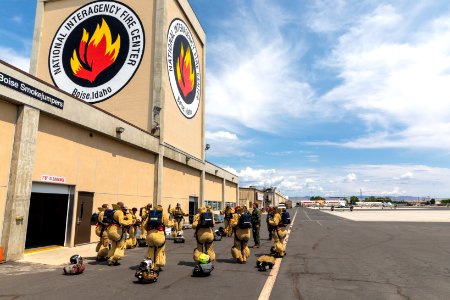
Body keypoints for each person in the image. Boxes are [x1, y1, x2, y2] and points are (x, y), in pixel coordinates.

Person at [142, 205, 173, 272]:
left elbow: (144, 225)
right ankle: (156, 267)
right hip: (159, 235)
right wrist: (172, 222)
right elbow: (167, 224)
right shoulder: (163, 214)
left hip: (149, 236)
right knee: (159, 250)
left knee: (151, 250)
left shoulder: (150, 215)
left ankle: (149, 265)